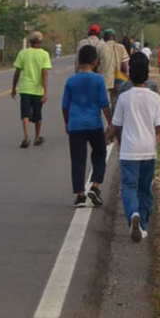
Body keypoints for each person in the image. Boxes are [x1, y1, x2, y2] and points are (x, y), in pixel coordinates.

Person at [108, 50, 160, 243]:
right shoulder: (154, 97)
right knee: (145, 189)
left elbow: (115, 125)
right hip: (148, 151)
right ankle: (142, 225)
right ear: (147, 74)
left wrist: (107, 139)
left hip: (129, 151)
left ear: (130, 73)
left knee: (128, 187)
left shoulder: (124, 97)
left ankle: (133, 215)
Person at [61, 44, 110, 206]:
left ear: (79, 61)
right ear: (95, 61)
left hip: (76, 125)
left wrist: (67, 124)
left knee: (77, 159)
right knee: (100, 154)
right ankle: (95, 186)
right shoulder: (98, 80)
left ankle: (80, 195)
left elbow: (65, 106)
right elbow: (104, 104)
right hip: (94, 124)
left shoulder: (71, 81)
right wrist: (111, 124)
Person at [10, 32, 52, 149]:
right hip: (37, 90)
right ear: (40, 42)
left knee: (25, 114)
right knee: (38, 115)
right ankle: (37, 137)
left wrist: (13, 88)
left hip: (25, 88)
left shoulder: (23, 53)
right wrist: (45, 91)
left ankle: (26, 136)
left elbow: (17, 72)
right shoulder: (44, 54)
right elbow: (44, 74)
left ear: (30, 42)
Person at [97, 28, 127, 104]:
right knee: (116, 100)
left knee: (104, 100)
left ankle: (108, 113)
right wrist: (125, 76)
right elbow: (124, 66)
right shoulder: (121, 47)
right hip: (118, 77)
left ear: (104, 37)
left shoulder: (100, 47)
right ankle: (114, 114)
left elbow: (96, 64)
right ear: (114, 37)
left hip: (104, 78)